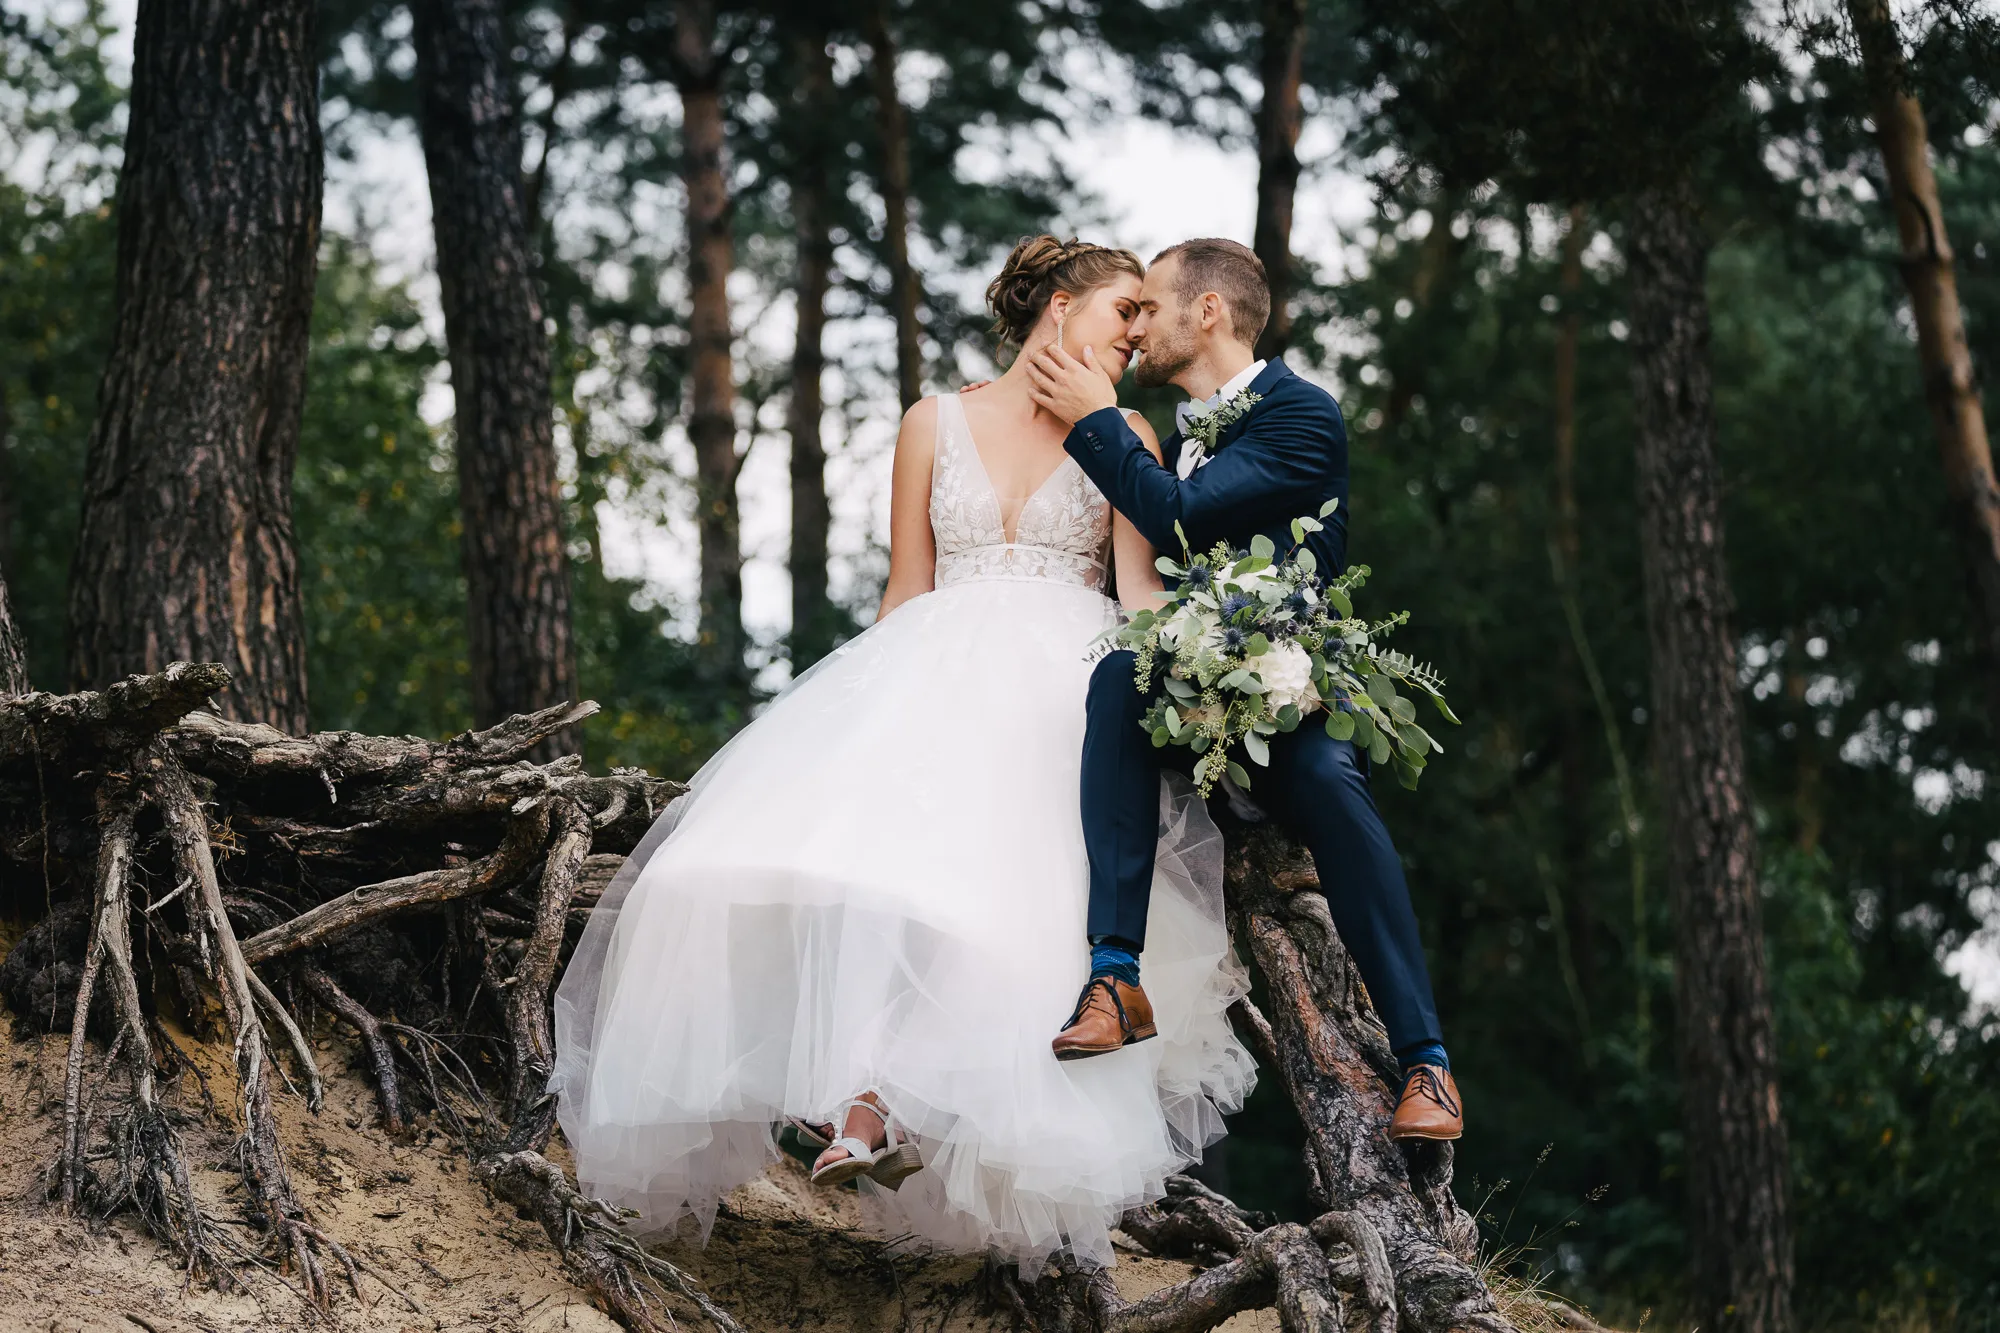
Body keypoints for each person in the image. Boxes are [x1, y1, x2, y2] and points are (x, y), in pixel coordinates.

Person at [550, 236, 1254, 1273]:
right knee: (872, 866)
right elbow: (906, 583)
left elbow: (1137, 597)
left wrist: (1197, 691)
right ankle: (860, 1097)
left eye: (1143, 325)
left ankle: (891, 1107)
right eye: (1120, 317)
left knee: (1004, 899)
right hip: (935, 659)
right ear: (1058, 309)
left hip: (1069, 682)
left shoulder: (1126, 431)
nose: (1133, 339)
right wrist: (868, 711)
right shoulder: (933, 421)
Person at [1023, 237, 1464, 1142]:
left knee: (1334, 787)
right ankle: (1115, 976)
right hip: (1193, 691)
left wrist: (1094, 421)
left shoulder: (1303, 414)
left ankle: (1428, 1063)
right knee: (1117, 678)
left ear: (1209, 312)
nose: (1135, 325)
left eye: (1148, 308)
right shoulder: (1177, 435)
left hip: (1292, 692)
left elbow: (1180, 515)